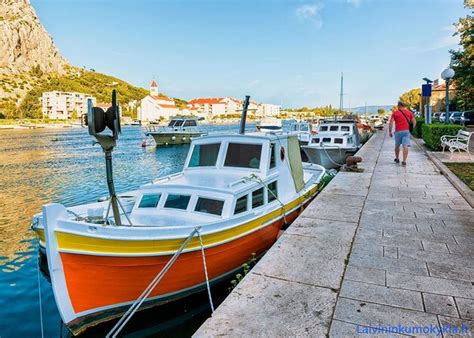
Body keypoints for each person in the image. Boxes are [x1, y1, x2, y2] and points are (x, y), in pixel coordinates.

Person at [388, 101, 416, 166]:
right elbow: (414, 121)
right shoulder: (409, 113)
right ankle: (404, 161)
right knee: (405, 145)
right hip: (406, 131)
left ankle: (397, 158)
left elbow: (391, 123)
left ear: (398, 106)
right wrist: (412, 129)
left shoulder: (395, 113)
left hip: (398, 131)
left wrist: (390, 131)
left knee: (397, 146)